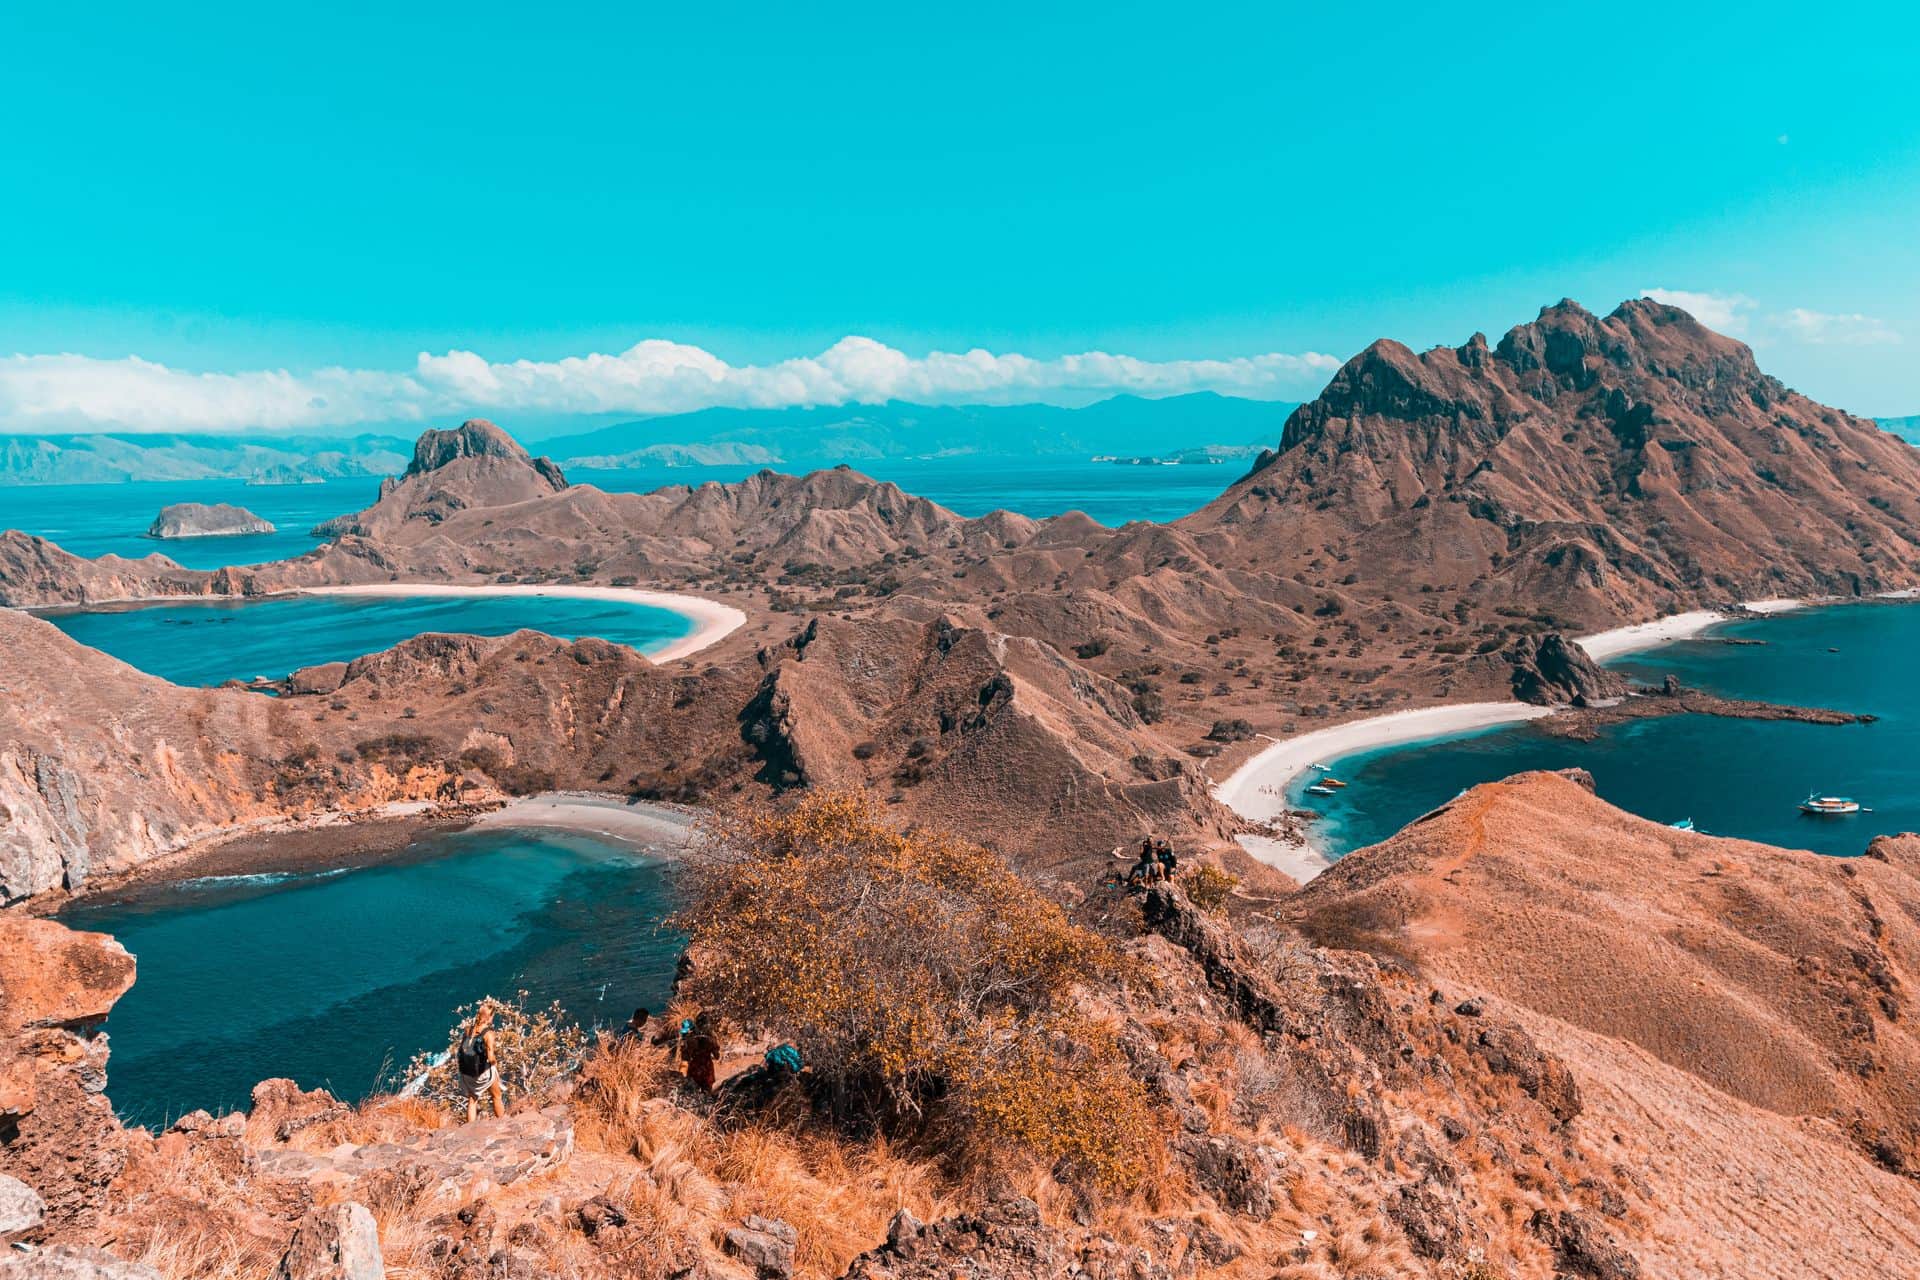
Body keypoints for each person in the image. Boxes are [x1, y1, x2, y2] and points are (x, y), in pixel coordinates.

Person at [456, 1003, 506, 1122]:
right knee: (497, 1096)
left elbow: (463, 1049)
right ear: (490, 1017)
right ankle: (503, 1123)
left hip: (467, 1073)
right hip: (482, 1073)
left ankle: (470, 1128)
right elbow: (491, 1057)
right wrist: (495, 1064)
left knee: (472, 1100)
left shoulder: (468, 1029)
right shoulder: (488, 1034)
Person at [681, 1012, 722, 1092]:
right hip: (707, 1070)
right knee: (707, 1093)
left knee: (692, 1093)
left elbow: (685, 1058)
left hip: (694, 1069)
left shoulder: (690, 1039)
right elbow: (717, 1056)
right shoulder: (711, 1038)